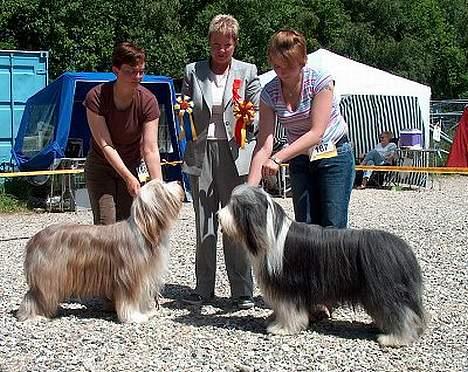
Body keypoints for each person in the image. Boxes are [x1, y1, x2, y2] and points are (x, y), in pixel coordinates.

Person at [181, 14, 261, 309]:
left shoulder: (248, 71)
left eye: (226, 45)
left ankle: (241, 290)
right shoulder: (193, 70)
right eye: (216, 45)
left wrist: (249, 118)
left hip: (235, 153)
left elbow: (256, 115)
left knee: (236, 223)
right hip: (201, 152)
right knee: (205, 223)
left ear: (234, 43)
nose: (221, 50)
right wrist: (183, 111)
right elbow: (185, 108)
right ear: (209, 43)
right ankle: (203, 288)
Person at [248, 29, 355, 230]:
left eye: (288, 66)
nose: (281, 72)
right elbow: (263, 145)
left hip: (334, 156)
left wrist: (278, 158)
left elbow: (317, 133)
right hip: (300, 159)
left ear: (302, 61)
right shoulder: (269, 93)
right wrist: (249, 190)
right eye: (277, 66)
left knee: (333, 228)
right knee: (305, 228)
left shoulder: (320, 81)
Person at [84, 42, 162, 225]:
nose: (137, 76)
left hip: (132, 164)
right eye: (130, 71)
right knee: (106, 225)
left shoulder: (149, 101)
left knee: (130, 226)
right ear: (116, 70)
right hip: (101, 167)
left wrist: (159, 185)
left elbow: (150, 148)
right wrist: (128, 177)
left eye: (141, 71)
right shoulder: (95, 97)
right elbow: (106, 145)